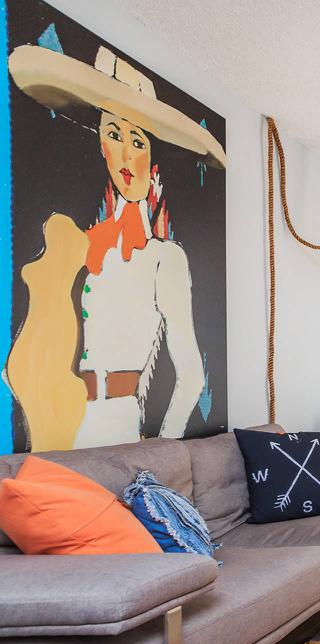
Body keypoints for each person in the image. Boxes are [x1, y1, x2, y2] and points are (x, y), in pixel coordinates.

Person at [6, 43, 226, 450]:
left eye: (138, 141)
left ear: (153, 155)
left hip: (121, 418)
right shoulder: (77, 244)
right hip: (64, 418)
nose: (126, 153)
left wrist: (164, 446)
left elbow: (191, 374)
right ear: (101, 146)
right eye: (113, 133)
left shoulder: (165, 257)